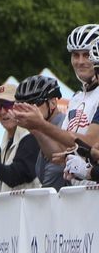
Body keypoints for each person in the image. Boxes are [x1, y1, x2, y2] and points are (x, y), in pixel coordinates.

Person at [14, 27, 99, 184]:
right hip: (76, 192)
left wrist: (42, 125)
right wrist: (36, 128)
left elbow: (90, 143)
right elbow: (58, 154)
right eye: (75, 55)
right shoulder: (76, 98)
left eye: (86, 55)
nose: (80, 61)